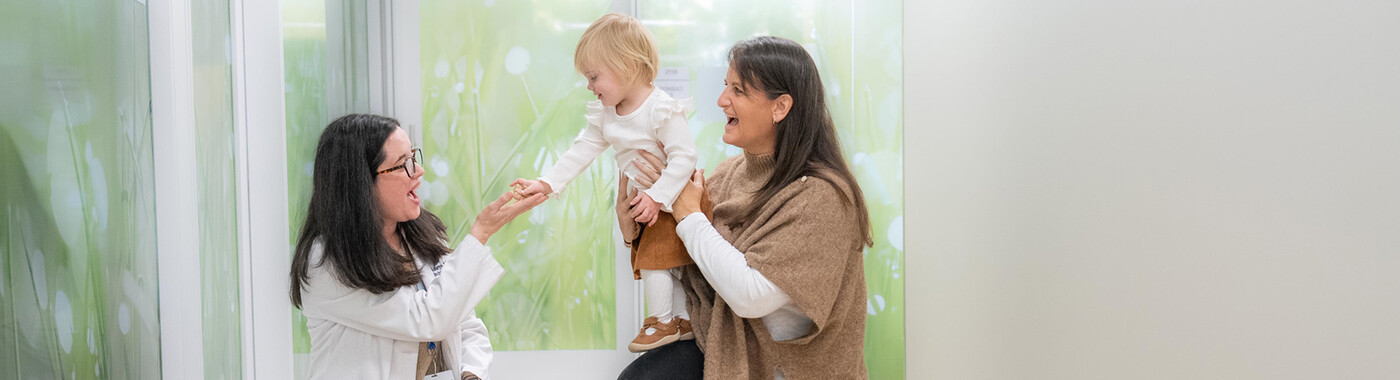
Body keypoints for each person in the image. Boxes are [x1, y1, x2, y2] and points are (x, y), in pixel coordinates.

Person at [617, 36, 874, 380]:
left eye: (737, 90)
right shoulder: (728, 174)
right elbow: (693, 271)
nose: (722, 100)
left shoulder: (822, 197)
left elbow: (750, 296)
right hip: (722, 346)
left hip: (786, 369)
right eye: (726, 86)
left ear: (780, 107)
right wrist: (636, 232)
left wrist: (687, 212)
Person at [289, 114, 546, 380]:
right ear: (360, 182)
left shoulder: (422, 237)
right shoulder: (328, 262)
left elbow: (463, 322)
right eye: (402, 165)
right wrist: (481, 233)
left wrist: (472, 373)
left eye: (413, 157)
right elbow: (427, 319)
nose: (419, 171)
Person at [509, 13, 703, 353]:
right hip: (644, 206)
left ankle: (663, 320)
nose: (589, 85)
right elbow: (582, 149)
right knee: (663, 265)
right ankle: (679, 320)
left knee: (656, 263)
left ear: (626, 65)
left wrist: (657, 197)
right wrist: (548, 183)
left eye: (593, 76)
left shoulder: (660, 109)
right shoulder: (607, 114)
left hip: (669, 204)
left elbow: (685, 157)